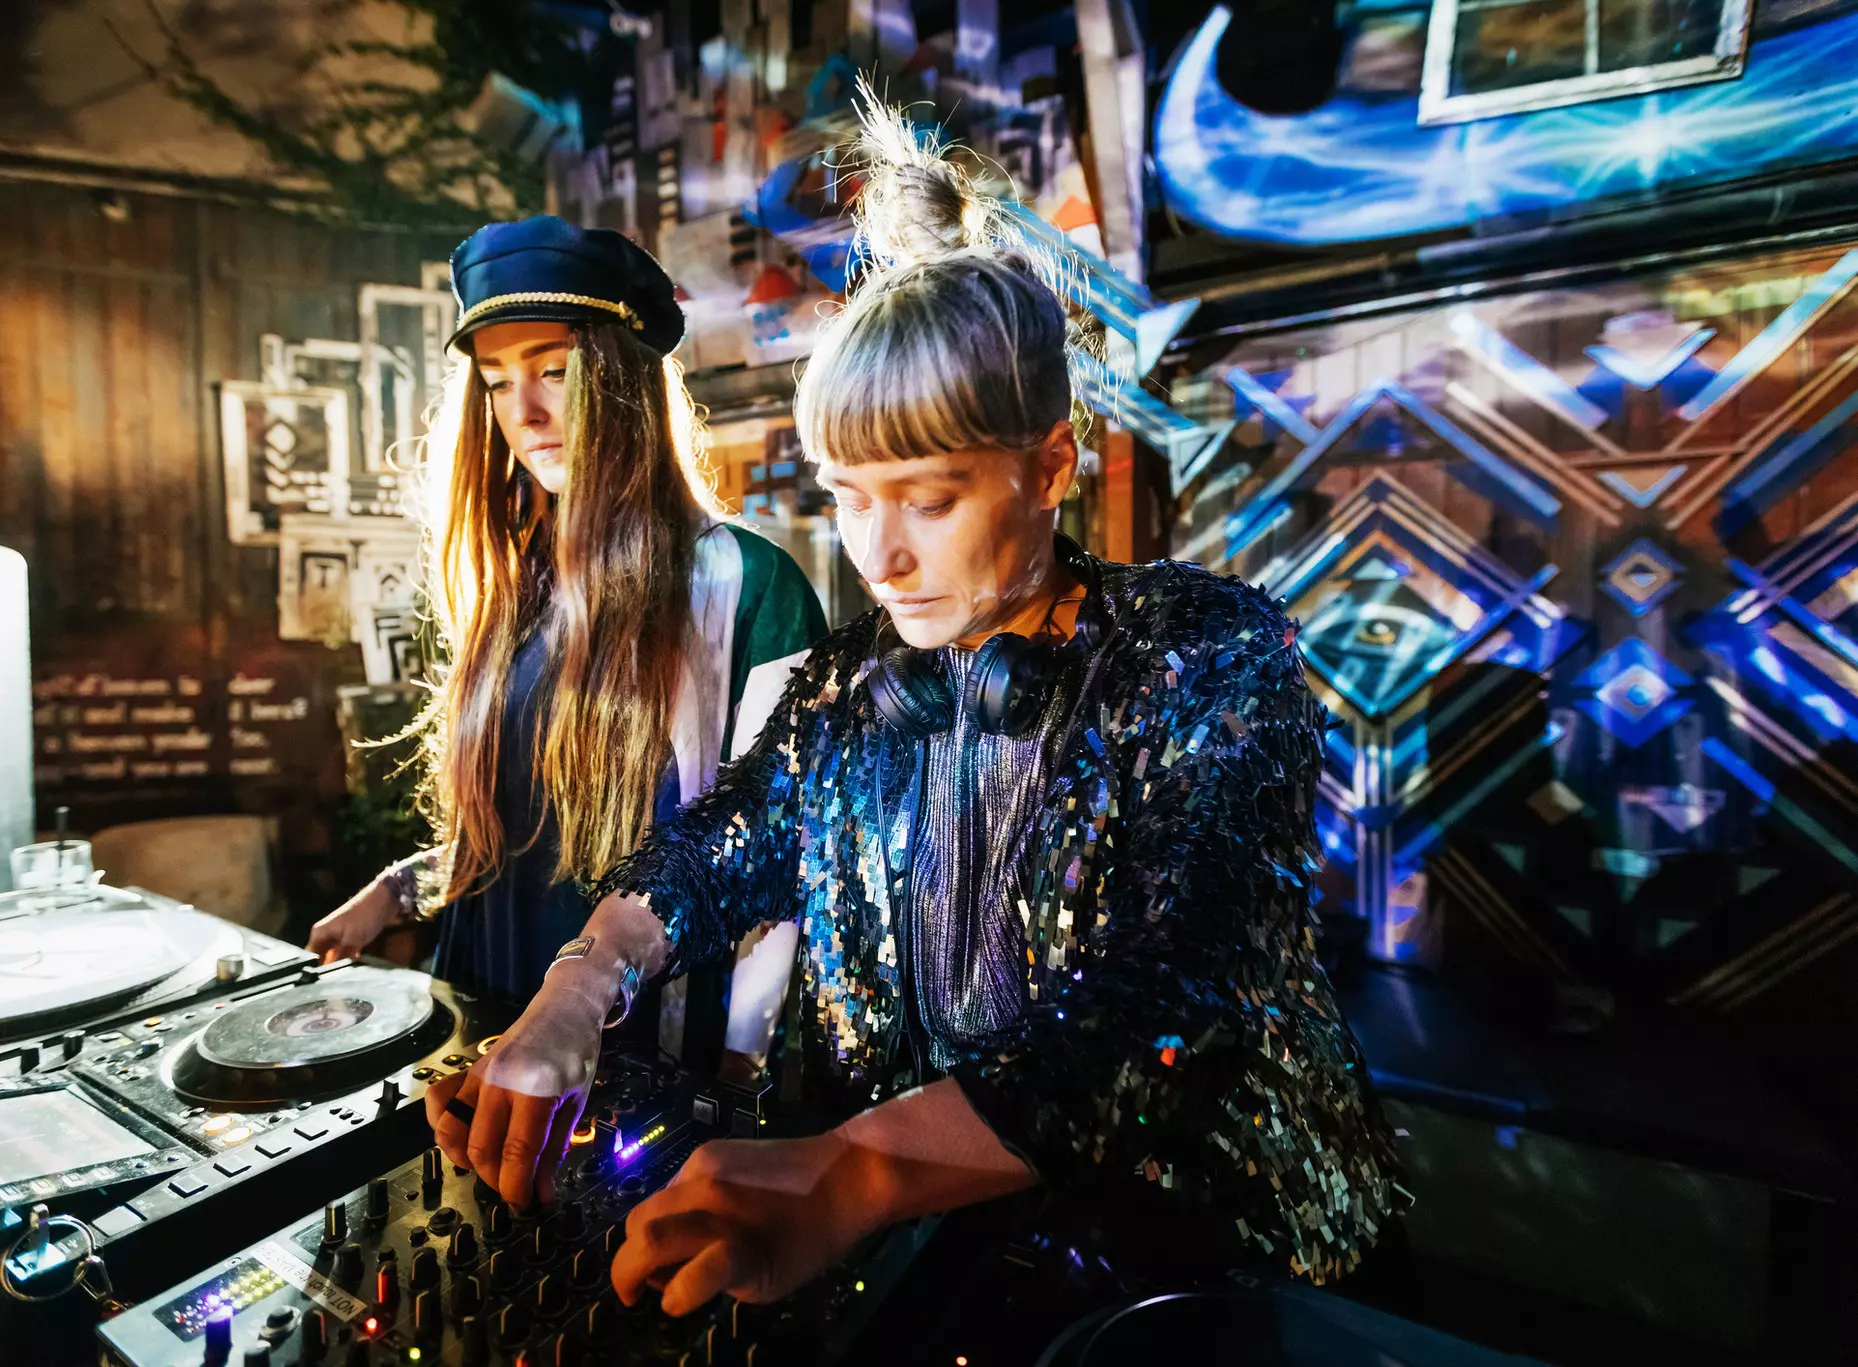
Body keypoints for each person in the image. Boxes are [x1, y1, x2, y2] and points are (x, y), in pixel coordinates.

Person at [427, 97, 1402, 1312]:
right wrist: (576, 989)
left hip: (1180, 1264)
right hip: (915, 1261)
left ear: (1050, 467)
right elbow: (712, 851)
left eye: (929, 498)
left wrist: (850, 1170)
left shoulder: (1201, 653)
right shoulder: (851, 683)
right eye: (847, 494)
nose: (878, 556)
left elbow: (1179, 992)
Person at [307, 216, 827, 1004]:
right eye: (494, 380)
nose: (523, 411)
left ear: (624, 380)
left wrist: (738, 1075)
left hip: (632, 1058)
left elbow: (777, 862)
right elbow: (518, 835)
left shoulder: (748, 587)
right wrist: (395, 892)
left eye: (553, 370)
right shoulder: (509, 589)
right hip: (478, 1015)